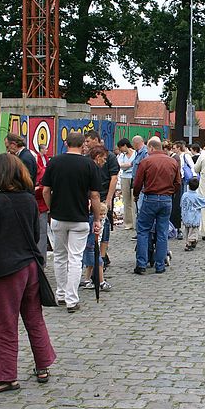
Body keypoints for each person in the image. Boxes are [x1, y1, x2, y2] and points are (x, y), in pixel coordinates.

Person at [0, 153, 56, 395]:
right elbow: (36, 236)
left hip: (9, 271)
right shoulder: (28, 200)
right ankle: (43, 365)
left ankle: (6, 377)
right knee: (34, 318)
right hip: (31, 267)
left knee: (4, 325)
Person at [41, 133, 102, 313]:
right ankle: (71, 299)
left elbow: (45, 190)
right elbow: (95, 195)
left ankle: (60, 294)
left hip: (59, 217)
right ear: (83, 144)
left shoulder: (54, 162)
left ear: (65, 143)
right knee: (75, 258)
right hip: (79, 218)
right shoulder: (89, 164)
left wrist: (51, 208)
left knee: (60, 256)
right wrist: (97, 218)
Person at [132, 137, 180, 274]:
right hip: (166, 199)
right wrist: (171, 193)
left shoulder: (145, 161)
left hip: (150, 198)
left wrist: (136, 194)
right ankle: (160, 265)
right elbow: (178, 182)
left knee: (143, 230)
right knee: (162, 232)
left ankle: (141, 264)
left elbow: (138, 182)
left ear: (151, 148)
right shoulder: (172, 162)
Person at [84, 146, 115, 291]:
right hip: (94, 211)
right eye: (103, 158)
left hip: (93, 209)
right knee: (93, 247)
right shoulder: (92, 169)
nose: (105, 161)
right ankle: (99, 280)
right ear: (97, 157)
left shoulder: (85, 166)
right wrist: (98, 215)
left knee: (96, 245)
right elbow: (94, 194)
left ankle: (89, 277)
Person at [181, 177, 205, 251]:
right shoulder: (197, 196)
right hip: (194, 217)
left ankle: (188, 242)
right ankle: (189, 243)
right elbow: (204, 203)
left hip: (186, 217)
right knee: (194, 232)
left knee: (187, 231)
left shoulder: (184, 195)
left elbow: (181, 204)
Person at [117, 138, 136, 230]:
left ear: (125, 145)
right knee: (126, 201)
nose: (120, 150)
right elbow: (120, 165)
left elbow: (135, 164)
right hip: (124, 178)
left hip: (133, 178)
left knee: (133, 201)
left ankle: (135, 222)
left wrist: (126, 165)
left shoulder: (136, 153)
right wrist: (130, 165)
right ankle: (128, 223)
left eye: (121, 147)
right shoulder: (122, 155)